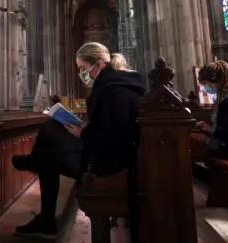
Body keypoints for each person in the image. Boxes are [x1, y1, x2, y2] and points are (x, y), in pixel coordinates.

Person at [11, 42, 145, 239]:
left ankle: (35, 168)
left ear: (98, 65)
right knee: (52, 129)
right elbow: (111, 127)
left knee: (47, 149)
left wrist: (84, 133)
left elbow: (114, 138)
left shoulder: (114, 90)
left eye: (83, 68)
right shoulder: (118, 84)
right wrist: (85, 129)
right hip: (113, 156)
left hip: (109, 164)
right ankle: (36, 174)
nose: (81, 73)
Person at [190, 61, 228, 159]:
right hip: (223, 142)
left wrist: (211, 130)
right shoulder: (226, 98)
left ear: (216, 81)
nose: (207, 88)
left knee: (190, 138)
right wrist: (208, 128)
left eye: (207, 85)